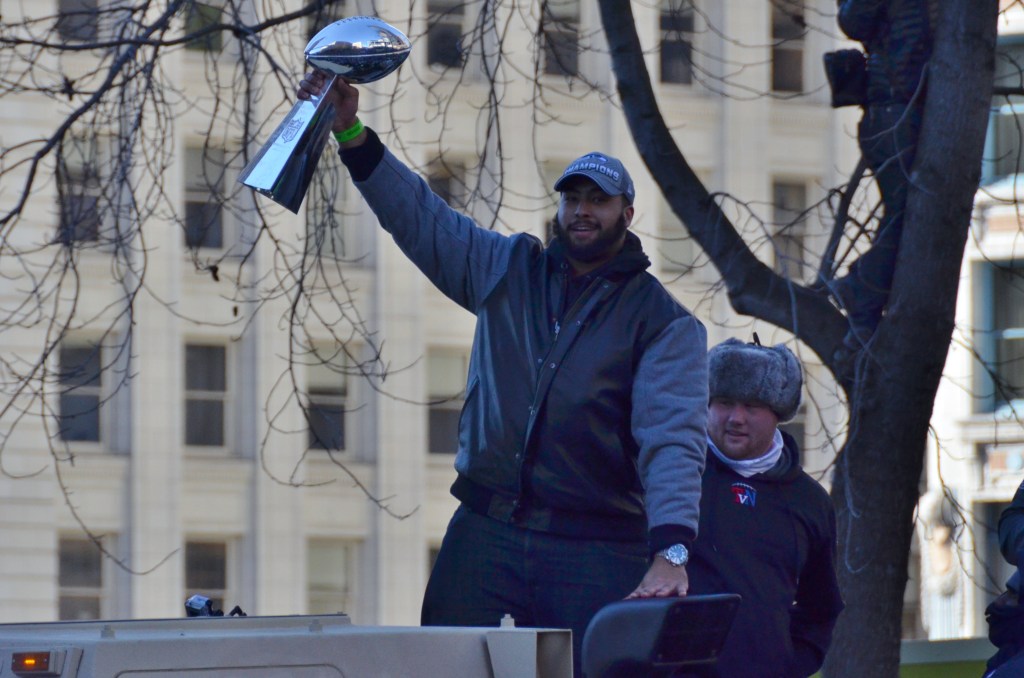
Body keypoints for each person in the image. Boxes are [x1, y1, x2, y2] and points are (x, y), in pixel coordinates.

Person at [297, 73, 709, 675]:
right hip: (487, 529)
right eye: (573, 198)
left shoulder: (663, 323)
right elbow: (421, 218)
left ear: (627, 211)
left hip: (595, 542)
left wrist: (671, 551)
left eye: (598, 200)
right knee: (441, 662)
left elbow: (673, 442)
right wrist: (353, 135)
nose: (583, 211)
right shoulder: (507, 269)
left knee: (592, 670)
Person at [686, 337, 844, 677]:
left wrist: (789, 664)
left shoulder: (810, 502)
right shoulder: (675, 480)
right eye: (725, 402)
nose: (736, 418)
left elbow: (821, 608)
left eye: (753, 406)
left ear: (778, 413)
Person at [831, 0, 933, 347]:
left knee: (903, 213)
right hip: (892, 111)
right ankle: (861, 292)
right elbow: (852, 19)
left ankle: (864, 291)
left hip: (906, 109)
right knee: (904, 213)